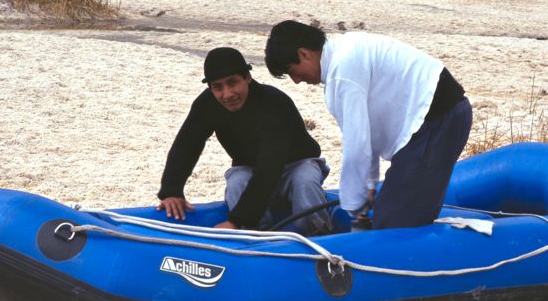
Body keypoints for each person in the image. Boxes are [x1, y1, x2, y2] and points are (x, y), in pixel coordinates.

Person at [264, 20, 472, 230]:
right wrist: (369, 184)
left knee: (395, 223)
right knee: (392, 211)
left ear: (304, 54)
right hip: (431, 120)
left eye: (292, 71)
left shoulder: (343, 69)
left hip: (438, 118)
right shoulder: (343, 53)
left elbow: (357, 142)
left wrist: (354, 203)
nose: (296, 80)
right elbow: (368, 132)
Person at [157, 46, 332, 234]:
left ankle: (318, 236)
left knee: (304, 181)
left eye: (232, 83)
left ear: (248, 78)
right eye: (218, 87)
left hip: (297, 165)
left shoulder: (275, 104)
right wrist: (171, 191)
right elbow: (186, 145)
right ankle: (254, 235)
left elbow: (270, 167)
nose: (227, 94)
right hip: (250, 168)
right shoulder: (206, 104)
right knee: (237, 181)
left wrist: (235, 221)